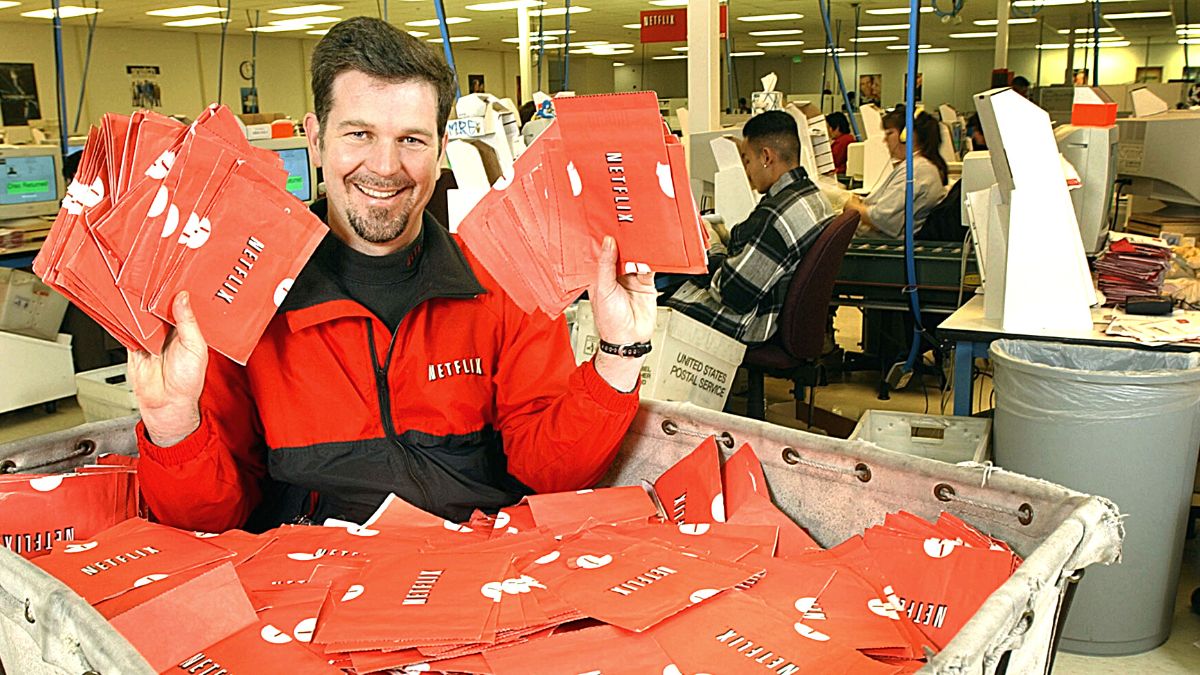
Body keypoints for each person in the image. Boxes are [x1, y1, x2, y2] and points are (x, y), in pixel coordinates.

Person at [129, 17, 657, 533]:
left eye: (411, 140)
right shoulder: (243, 297)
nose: (385, 166)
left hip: (477, 580)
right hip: (308, 593)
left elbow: (550, 475)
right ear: (316, 139)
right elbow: (212, 522)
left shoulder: (503, 282)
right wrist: (172, 421)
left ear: (442, 146)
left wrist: (619, 352)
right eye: (359, 134)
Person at [665, 111, 835, 344]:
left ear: (766, 157)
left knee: (658, 312)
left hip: (756, 324)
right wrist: (727, 236)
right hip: (782, 313)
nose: (747, 171)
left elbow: (732, 293)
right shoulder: (811, 196)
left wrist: (713, 247)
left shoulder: (775, 218)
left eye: (746, 160)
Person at [844, 108, 947, 238]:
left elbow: (880, 218)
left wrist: (851, 206)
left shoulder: (917, 170)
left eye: (889, 133)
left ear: (907, 136)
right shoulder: (919, 166)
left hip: (883, 247)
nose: (884, 140)